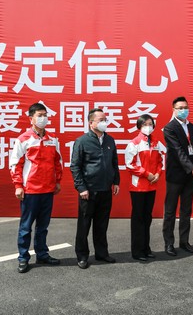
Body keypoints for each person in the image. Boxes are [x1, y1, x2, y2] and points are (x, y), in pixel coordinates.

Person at [9, 102, 63, 274]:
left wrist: (57, 181)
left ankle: (42, 254)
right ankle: (23, 258)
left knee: (43, 226)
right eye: (40, 115)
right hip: (30, 190)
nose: (43, 118)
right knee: (26, 227)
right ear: (31, 118)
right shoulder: (23, 139)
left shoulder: (52, 139)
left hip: (48, 189)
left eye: (45, 115)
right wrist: (18, 185)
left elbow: (58, 161)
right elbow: (15, 164)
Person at [70, 108, 120, 269]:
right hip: (88, 191)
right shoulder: (82, 141)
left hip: (105, 189)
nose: (104, 122)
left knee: (102, 224)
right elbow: (75, 166)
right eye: (101, 120)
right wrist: (81, 188)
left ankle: (102, 253)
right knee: (84, 225)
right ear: (91, 123)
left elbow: (114, 162)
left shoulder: (109, 140)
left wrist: (116, 181)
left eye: (105, 119)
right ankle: (82, 255)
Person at [125, 114, 165, 262]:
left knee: (147, 218)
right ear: (139, 126)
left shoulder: (156, 142)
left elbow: (161, 160)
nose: (148, 127)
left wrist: (158, 173)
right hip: (138, 187)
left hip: (151, 185)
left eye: (150, 124)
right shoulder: (134, 143)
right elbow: (130, 164)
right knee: (138, 219)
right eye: (145, 124)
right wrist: (146, 174)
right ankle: (137, 251)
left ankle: (146, 248)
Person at [162, 96, 193, 256]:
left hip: (189, 176)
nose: (183, 110)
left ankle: (184, 242)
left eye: (185, 107)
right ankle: (169, 244)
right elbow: (178, 151)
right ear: (174, 110)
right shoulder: (169, 128)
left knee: (186, 210)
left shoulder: (190, 126)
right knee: (170, 212)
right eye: (180, 108)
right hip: (175, 176)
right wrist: (192, 168)